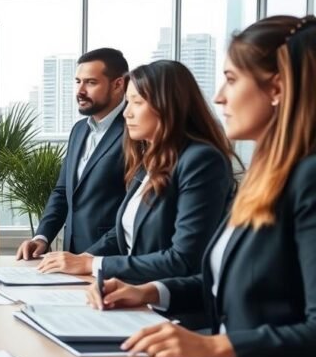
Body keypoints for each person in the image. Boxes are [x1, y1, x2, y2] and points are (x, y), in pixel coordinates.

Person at [88, 15, 316, 357]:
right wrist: (149, 291)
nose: (219, 96)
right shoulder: (267, 177)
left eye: (231, 79)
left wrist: (215, 345)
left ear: (276, 88)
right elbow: (228, 288)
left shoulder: (307, 179)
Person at [38, 60, 236, 283]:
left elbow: (184, 259)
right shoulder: (150, 160)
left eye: (137, 102)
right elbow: (123, 231)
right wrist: (81, 259)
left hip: (170, 306)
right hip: (134, 292)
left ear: (167, 105)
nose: (126, 113)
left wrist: (91, 263)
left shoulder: (201, 161)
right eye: (127, 102)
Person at [16, 48, 129, 260]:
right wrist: (41, 237)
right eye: (78, 81)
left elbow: (135, 211)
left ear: (118, 84)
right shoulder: (79, 130)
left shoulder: (136, 131)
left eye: (91, 82)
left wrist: (88, 258)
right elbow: (63, 192)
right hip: (72, 259)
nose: (80, 90)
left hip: (113, 261)